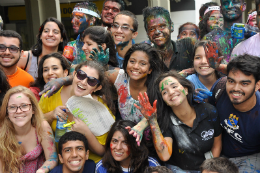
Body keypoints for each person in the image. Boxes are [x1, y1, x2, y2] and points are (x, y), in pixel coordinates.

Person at [135, 71, 222, 172]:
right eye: (165, 92)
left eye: (174, 86)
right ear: (164, 100)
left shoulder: (209, 111)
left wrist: (208, 170)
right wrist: (152, 121)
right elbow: (164, 155)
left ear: (185, 89)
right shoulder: (166, 121)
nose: (171, 92)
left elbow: (217, 144)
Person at [39, 60, 115, 163]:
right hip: (58, 164)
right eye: (81, 75)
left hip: (89, 166)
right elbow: (33, 124)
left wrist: (86, 132)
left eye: (91, 81)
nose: (83, 82)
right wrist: (51, 115)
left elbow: (102, 151)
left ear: (97, 87)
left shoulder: (101, 110)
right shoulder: (51, 94)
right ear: (74, 74)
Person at [204, 54, 260, 172]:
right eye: (231, 81)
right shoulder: (220, 88)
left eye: (244, 83)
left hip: (250, 157)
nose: (236, 88)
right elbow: (207, 114)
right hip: (220, 152)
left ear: (257, 85)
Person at [0, 86, 57, 172]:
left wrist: (41, 171)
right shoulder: (2, 132)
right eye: (12, 107)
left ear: (33, 109)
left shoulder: (42, 127)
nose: (19, 111)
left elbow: (52, 158)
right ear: (7, 112)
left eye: (24, 106)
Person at [143, 6, 196, 72]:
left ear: (171, 27)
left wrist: (190, 71)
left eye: (162, 26)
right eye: (151, 29)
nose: (157, 32)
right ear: (147, 33)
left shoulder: (188, 45)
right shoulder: (147, 59)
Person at [96, 120, 160, 173]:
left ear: (134, 144)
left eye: (125, 142)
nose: (118, 147)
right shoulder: (102, 167)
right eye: (115, 141)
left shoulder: (151, 165)